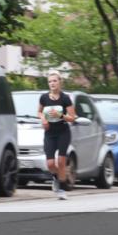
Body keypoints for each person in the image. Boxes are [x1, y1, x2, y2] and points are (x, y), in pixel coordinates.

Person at [38, 71, 76, 200]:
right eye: (50, 81)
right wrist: (43, 119)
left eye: (54, 81)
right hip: (49, 133)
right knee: (50, 164)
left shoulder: (65, 98)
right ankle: (55, 178)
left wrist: (61, 115)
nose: (52, 83)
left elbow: (72, 118)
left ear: (60, 82)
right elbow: (39, 111)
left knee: (61, 161)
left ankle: (61, 188)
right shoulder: (44, 97)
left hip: (63, 132)